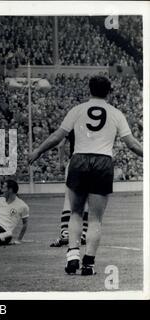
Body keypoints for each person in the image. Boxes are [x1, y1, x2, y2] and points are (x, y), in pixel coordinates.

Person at [29, 76, 143, 275]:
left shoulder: (77, 110)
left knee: (76, 213)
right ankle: (88, 263)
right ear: (109, 92)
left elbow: (58, 136)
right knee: (96, 219)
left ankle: (72, 256)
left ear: (89, 89)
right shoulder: (116, 113)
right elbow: (132, 143)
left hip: (79, 159)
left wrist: (38, 151)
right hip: (103, 162)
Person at [50, 131, 89, 247]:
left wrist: (61, 163)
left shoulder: (73, 123)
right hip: (90, 163)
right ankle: (83, 234)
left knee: (68, 199)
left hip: (74, 161)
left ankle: (65, 233)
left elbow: (61, 145)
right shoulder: (95, 123)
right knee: (86, 200)